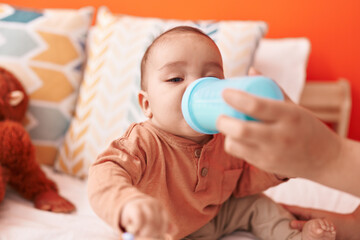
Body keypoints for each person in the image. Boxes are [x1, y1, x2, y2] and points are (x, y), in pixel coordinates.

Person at [87, 26, 336, 240]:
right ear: (147, 105)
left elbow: (244, 178)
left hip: (217, 216)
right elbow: (105, 173)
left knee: (257, 205)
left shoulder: (227, 135)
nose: (195, 87)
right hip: (162, 226)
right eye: (175, 79)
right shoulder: (143, 142)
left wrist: (280, 167)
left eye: (211, 78)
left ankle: (294, 235)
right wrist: (127, 204)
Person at [216, 83, 360, 198]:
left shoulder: (222, 143)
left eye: (212, 75)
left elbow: (241, 182)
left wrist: (278, 172)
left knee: (264, 210)